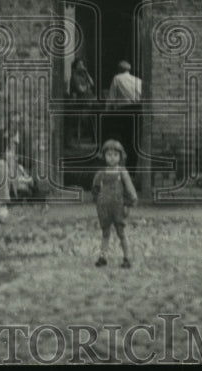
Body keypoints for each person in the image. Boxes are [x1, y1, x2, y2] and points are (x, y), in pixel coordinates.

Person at [92, 138, 137, 269]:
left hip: (118, 207)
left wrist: (128, 204)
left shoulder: (122, 172)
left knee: (121, 232)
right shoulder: (101, 173)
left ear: (120, 156)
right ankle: (102, 257)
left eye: (115, 155)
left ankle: (127, 257)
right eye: (109, 155)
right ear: (104, 156)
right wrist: (98, 200)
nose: (112, 158)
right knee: (105, 232)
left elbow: (130, 189)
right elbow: (94, 188)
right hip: (104, 208)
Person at [0, 119, 33, 222]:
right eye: (11, 123)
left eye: (17, 123)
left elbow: (29, 161)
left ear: (20, 125)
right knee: (1, 164)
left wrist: (16, 159)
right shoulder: (0, 134)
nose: (13, 126)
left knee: (7, 164)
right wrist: (3, 158)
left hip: (16, 170)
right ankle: (2, 205)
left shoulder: (24, 136)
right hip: (2, 167)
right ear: (8, 124)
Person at [106, 60, 142, 172]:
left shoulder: (117, 78)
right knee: (136, 139)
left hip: (125, 111)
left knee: (125, 139)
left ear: (119, 70)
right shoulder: (138, 80)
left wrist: (107, 111)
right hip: (139, 109)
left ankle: (121, 166)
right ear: (129, 70)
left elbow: (111, 98)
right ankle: (133, 168)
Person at [68, 57, 95, 143]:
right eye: (80, 64)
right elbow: (81, 90)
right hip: (81, 100)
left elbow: (92, 83)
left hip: (89, 97)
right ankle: (92, 133)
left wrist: (87, 73)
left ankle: (94, 134)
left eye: (82, 64)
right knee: (95, 107)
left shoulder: (84, 75)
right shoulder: (74, 76)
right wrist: (87, 87)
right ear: (75, 66)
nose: (82, 66)